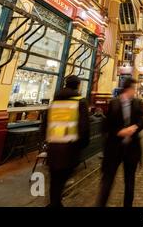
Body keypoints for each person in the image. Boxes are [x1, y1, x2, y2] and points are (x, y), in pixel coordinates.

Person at [97, 78, 143, 207]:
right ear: (128, 89)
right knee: (107, 180)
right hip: (114, 149)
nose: (135, 92)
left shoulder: (137, 103)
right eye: (134, 89)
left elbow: (142, 121)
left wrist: (135, 127)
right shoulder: (113, 103)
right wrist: (119, 132)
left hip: (132, 149)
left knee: (129, 181)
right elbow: (105, 126)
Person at [43, 75, 90, 207]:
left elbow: (45, 123)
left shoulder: (54, 101)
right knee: (64, 175)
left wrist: (46, 141)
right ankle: (56, 203)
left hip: (53, 146)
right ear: (78, 85)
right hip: (70, 147)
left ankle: (54, 202)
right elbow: (84, 126)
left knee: (54, 178)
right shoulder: (80, 101)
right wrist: (84, 143)